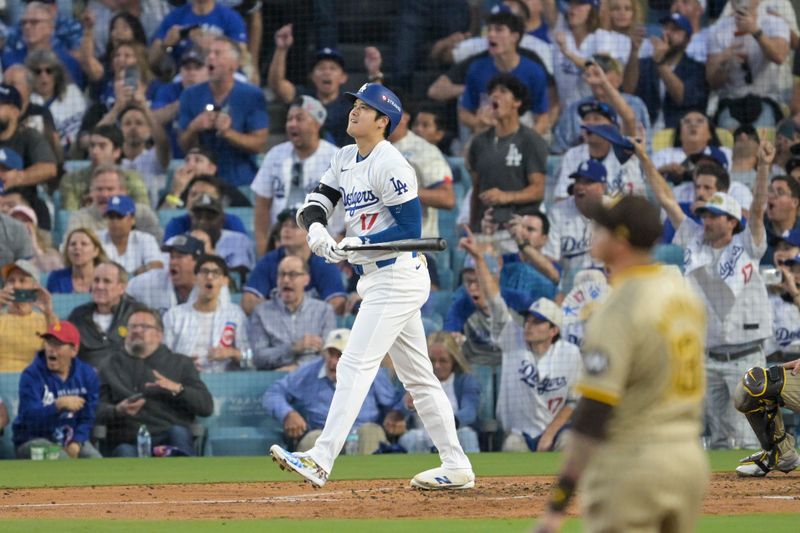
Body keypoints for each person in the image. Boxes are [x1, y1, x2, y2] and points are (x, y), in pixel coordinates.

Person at [269, 83, 475, 490]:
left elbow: (410, 229)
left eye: (365, 108)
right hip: (376, 277)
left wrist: (359, 242)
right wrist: (315, 232)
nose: (354, 112)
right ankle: (456, 465)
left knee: (353, 363)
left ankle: (321, 458)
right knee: (418, 378)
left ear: (384, 121)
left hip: (398, 275)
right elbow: (317, 201)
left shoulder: (392, 163)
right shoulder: (345, 156)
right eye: (355, 106)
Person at [534, 195, 708, 533]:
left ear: (621, 240)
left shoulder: (617, 309)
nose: (593, 233)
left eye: (602, 227)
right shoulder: (683, 295)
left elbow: (594, 410)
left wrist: (556, 506)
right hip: (687, 460)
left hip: (635, 465)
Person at [635, 132, 772, 450]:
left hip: (746, 357)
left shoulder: (748, 244)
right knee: (721, 440)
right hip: (707, 357)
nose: (705, 221)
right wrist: (644, 157)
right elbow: (667, 199)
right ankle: (722, 500)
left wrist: (763, 168)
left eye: (713, 216)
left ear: (731, 220)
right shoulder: (693, 239)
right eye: (705, 215)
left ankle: (756, 500)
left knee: (752, 440)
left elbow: (759, 207)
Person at [463, 227, 581, 452]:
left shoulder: (570, 353)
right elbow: (494, 300)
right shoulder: (512, 338)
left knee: (568, 445)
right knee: (511, 448)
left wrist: (549, 434)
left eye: (538, 322)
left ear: (553, 330)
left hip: (557, 433)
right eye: (528, 319)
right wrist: (479, 259)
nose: (529, 325)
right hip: (518, 434)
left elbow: (573, 403)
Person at [96, 308, 214, 457]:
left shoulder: (181, 363)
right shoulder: (109, 365)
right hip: (129, 441)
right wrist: (117, 410)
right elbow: (95, 408)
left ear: (160, 335)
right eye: (132, 326)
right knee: (123, 451)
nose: (137, 330)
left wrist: (177, 389)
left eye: (144, 326)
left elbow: (206, 407)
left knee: (178, 433)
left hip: (170, 435)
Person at [264, 328, 402, 454]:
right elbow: (273, 393)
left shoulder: (371, 371)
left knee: (371, 432)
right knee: (313, 438)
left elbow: (393, 403)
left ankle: (373, 482)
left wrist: (396, 414)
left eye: (340, 355)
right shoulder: (310, 371)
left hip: (362, 433)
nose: (333, 362)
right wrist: (288, 414)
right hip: (323, 435)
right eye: (330, 354)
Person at [251, 96, 341, 255]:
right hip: (281, 245)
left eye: (299, 118)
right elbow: (261, 206)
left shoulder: (336, 158)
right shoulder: (275, 155)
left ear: (317, 124)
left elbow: (351, 207)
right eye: (289, 119)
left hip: (325, 247)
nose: (292, 124)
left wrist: (339, 245)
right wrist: (263, 247)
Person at [178, 36, 268, 187]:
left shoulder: (252, 95)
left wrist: (228, 133)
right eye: (209, 53)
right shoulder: (190, 95)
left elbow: (259, 144)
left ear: (233, 65)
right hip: (200, 181)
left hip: (241, 180)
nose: (210, 57)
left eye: (217, 53)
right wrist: (194, 127)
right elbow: (183, 144)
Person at [466, 73, 547, 233]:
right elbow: (476, 188)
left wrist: (506, 196)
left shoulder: (530, 140)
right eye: (492, 92)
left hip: (518, 228)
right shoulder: (479, 142)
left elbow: (537, 190)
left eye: (503, 91)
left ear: (517, 102)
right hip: (486, 228)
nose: (495, 95)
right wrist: (473, 226)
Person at [11, 320, 102, 460]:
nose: (51, 349)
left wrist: (77, 442)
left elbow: (88, 417)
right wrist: (57, 406)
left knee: (95, 460)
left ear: (74, 350)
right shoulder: (31, 375)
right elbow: (28, 419)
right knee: (60, 457)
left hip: (70, 438)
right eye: (48, 342)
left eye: (58, 344)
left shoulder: (87, 374)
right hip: (33, 440)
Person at [242, 207, 347, 316]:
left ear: (311, 233)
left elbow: (337, 305)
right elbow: (248, 302)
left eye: (294, 226)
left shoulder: (324, 263)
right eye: (285, 225)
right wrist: (282, 315)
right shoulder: (269, 261)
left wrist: (301, 316)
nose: (286, 230)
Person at [459, 11, 549, 134]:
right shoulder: (476, 69)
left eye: (498, 30)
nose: (491, 34)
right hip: (487, 128)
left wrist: (528, 142)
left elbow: (542, 117)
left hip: (524, 129)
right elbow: (464, 113)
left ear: (515, 37)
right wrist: (479, 122)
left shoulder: (534, 71)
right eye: (489, 30)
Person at [706, 0, 790, 128]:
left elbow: (779, 57)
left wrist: (755, 31)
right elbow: (713, 82)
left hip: (766, 99)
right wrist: (724, 61)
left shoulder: (775, 23)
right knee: (729, 130)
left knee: (760, 132)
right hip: (731, 100)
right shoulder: (717, 30)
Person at [267, 25, 353, 147]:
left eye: (332, 68)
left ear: (343, 77)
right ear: (312, 76)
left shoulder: (351, 104)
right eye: (321, 68)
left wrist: (374, 75)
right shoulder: (303, 97)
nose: (326, 72)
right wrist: (281, 49)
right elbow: (276, 85)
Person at [396, 332, 481, 454]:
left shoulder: (465, 380)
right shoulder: (413, 379)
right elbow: (397, 411)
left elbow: (470, 411)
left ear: (453, 360)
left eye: (443, 361)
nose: (437, 366)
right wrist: (407, 405)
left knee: (467, 435)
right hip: (423, 434)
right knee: (410, 438)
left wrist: (449, 423)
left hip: (455, 432)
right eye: (432, 360)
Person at [163, 255, 250, 373]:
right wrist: (182, 364)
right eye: (204, 272)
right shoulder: (174, 316)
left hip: (224, 384)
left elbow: (250, 359)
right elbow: (162, 358)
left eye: (216, 273)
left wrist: (231, 352)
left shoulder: (235, 315)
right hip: (184, 382)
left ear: (225, 281)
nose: (209, 277)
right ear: (195, 278)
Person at [247, 255, 336, 370]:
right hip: (274, 378)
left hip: (312, 377)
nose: (286, 280)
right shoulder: (261, 312)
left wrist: (298, 367)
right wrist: (293, 348)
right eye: (281, 274)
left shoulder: (323, 311)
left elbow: (328, 355)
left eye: (293, 274)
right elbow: (258, 358)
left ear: (306, 279)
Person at [552, 54, 650, 155]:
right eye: (592, 73)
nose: (597, 77)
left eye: (604, 71)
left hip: (624, 163)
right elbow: (559, 150)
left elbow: (643, 145)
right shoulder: (575, 108)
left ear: (619, 79)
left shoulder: (635, 105)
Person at [389, 99, 455, 239]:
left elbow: (447, 198)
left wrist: (400, 193)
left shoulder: (424, 150)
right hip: (377, 247)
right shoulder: (367, 148)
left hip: (416, 246)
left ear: (404, 117)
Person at [630, 13, 708, 130]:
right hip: (644, 130)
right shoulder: (645, 64)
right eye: (665, 28)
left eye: (675, 30)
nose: (667, 33)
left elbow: (682, 98)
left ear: (687, 39)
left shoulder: (696, 68)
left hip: (678, 133)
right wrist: (634, 51)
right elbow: (628, 90)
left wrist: (660, 63)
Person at [126, 234, 230, 316]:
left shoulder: (214, 287)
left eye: (179, 257)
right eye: (172, 257)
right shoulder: (153, 280)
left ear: (198, 262)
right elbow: (124, 291)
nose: (172, 262)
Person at [0, 83, 58, 229]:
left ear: (15, 111)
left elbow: (49, 168)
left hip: (23, 204)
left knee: (40, 208)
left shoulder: (28, 136)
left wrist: (17, 178)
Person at [148, 0, 249, 82]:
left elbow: (241, 56)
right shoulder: (174, 17)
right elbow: (152, 62)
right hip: (185, 76)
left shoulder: (230, 17)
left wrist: (210, 46)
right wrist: (167, 44)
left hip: (220, 75)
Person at [67, 261, 143, 369]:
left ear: (121, 288)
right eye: (96, 280)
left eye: (107, 281)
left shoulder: (137, 313)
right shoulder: (78, 315)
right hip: (88, 380)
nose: (99, 286)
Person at [543, 159, 607, 280]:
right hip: (570, 284)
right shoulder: (558, 212)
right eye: (578, 181)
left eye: (588, 182)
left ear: (602, 187)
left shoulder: (613, 210)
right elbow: (551, 259)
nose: (580, 187)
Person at [59, 124, 149, 210]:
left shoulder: (133, 180)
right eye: (92, 145)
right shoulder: (72, 180)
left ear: (117, 152)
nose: (95, 151)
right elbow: (69, 217)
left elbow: (143, 215)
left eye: (102, 146)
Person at [65, 164, 162, 242]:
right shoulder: (79, 218)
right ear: (91, 193)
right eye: (99, 189)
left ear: (123, 191)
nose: (104, 194)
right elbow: (67, 249)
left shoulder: (142, 214)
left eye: (110, 189)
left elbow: (160, 244)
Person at [1, 3, 87, 91]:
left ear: (50, 27)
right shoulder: (7, 59)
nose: (27, 27)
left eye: (34, 22)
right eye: (24, 23)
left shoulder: (67, 61)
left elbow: (74, 96)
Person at [151, 47, 209, 161]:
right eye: (187, 68)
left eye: (197, 68)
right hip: (174, 158)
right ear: (180, 71)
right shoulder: (168, 90)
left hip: (208, 158)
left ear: (207, 71)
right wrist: (185, 100)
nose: (191, 73)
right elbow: (154, 119)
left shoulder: (214, 90)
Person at [24, 48, 87, 153]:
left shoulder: (72, 93)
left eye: (49, 71)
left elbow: (80, 130)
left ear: (57, 73)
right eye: (37, 72)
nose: (43, 76)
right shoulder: (25, 100)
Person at [0, 259, 57, 373]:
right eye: (11, 281)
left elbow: (59, 352)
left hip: (34, 382)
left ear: (35, 287)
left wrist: (48, 313)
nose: (16, 285)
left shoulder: (46, 319)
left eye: (22, 280)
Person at [162, 171, 249, 237]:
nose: (199, 199)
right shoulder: (176, 224)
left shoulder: (232, 223)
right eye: (194, 194)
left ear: (220, 201)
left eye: (205, 195)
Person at [118, 105, 171, 209]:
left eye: (139, 123)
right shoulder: (113, 158)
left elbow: (163, 142)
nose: (133, 128)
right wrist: (116, 109)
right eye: (127, 124)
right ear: (120, 130)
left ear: (150, 130)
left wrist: (145, 108)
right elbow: (98, 137)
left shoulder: (154, 157)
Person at [96, 195, 163, 276]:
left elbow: (157, 266)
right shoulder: (96, 238)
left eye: (119, 216)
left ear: (132, 219)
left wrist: (126, 277)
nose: (114, 221)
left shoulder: (145, 239)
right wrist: (137, 272)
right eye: (111, 217)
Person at [189, 193, 255, 272]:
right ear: (191, 219)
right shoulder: (177, 242)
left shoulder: (238, 241)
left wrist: (209, 254)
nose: (202, 221)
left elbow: (239, 278)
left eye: (209, 217)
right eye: (198, 216)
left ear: (222, 221)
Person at [47, 228, 108, 294]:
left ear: (96, 251)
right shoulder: (56, 278)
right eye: (73, 244)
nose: (77, 247)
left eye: (84, 244)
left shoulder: (106, 278)